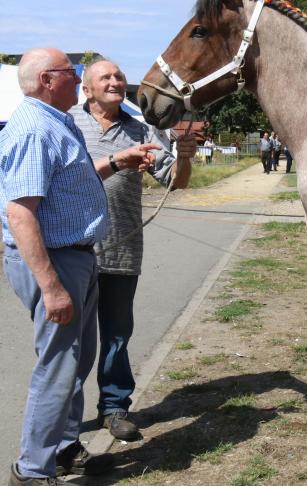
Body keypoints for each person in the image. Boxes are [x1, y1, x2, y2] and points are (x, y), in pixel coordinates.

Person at [0, 48, 158, 485]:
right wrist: (50, 286)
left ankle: (65, 448)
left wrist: (117, 161)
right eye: (73, 72)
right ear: (49, 80)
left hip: (78, 257)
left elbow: (74, 176)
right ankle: (31, 471)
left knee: (76, 361)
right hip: (57, 261)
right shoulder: (34, 128)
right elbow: (20, 212)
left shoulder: (57, 120)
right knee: (57, 367)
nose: (79, 78)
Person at [68, 59, 194, 443]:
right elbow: (63, 174)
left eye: (119, 76)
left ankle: (114, 408)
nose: (116, 81)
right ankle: (65, 423)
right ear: (86, 89)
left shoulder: (141, 128)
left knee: (117, 336)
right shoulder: (67, 124)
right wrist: (116, 161)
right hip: (73, 251)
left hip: (122, 251)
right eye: (105, 76)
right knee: (72, 342)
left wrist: (184, 156)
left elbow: (176, 181)